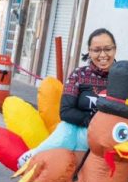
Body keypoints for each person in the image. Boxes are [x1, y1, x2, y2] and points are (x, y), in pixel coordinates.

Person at [16, 28, 116, 168]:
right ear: (89, 51)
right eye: (96, 50)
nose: (103, 55)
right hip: (80, 132)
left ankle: (38, 156)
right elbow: (66, 111)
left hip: (111, 137)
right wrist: (92, 122)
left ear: (115, 49)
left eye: (108, 49)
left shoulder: (122, 78)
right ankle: (37, 157)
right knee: (67, 127)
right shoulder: (79, 75)